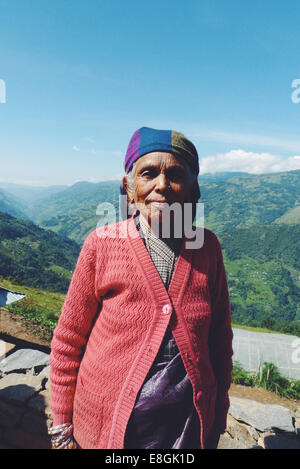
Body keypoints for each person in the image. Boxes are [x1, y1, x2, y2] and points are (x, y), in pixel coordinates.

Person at [49, 127, 233, 450]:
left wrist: (217, 417)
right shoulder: (101, 246)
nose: (162, 185)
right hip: (107, 430)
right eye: (148, 173)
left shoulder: (208, 249)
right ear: (129, 188)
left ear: (193, 190)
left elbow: (220, 341)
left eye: (175, 174)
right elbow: (68, 341)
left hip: (186, 432)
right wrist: (63, 427)